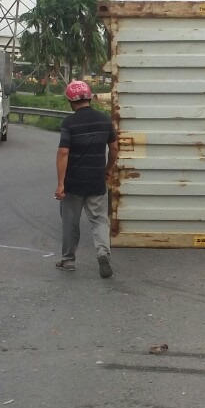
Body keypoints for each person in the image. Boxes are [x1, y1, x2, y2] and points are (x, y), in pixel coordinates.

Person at [54, 80, 118, 278]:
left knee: (70, 223)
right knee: (99, 221)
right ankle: (102, 253)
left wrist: (60, 184)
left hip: (74, 183)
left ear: (71, 102)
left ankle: (68, 260)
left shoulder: (69, 123)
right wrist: (108, 169)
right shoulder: (104, 120)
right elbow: (114, 148)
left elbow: (63, 152)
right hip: (96, 180)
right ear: (89, 98)